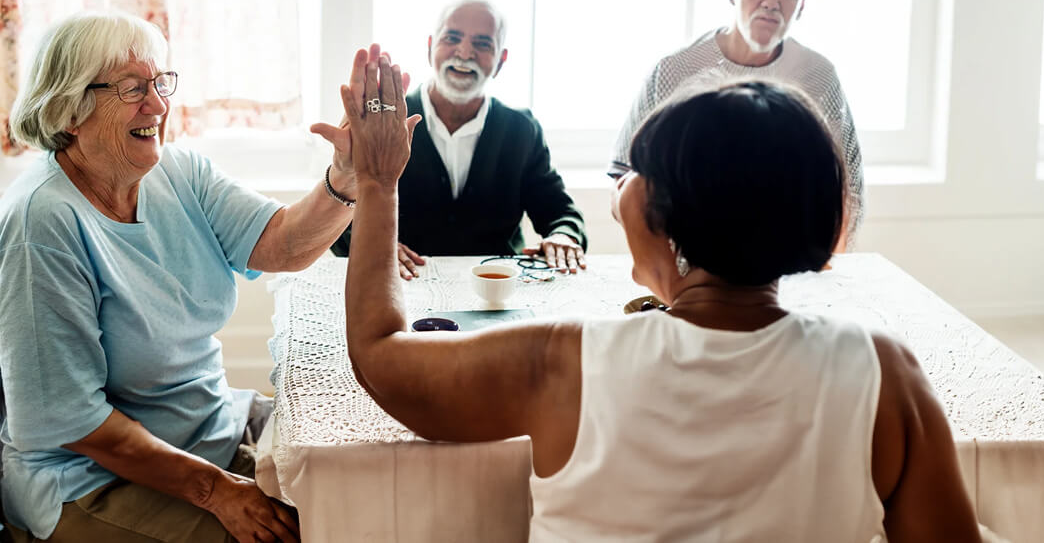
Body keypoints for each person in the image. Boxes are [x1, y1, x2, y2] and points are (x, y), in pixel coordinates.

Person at [341, 67, 977, 541]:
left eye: (633, 173)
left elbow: (378, 353)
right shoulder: (883, 373)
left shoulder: (567, 362)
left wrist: (376, 183)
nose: (619, 188)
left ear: (660, 215)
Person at [0, 11, 386, 542]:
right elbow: (74, 421)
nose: (158, 105)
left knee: (363, 474)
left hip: (207, 429)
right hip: (89, 479)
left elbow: (283, 244)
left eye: (160, 83)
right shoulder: (41, 223)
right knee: (305, 532)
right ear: (70, 110)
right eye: (133, 88)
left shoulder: (180, 172)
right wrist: (218, 492)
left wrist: (345, 178)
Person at [609, 0, 865, 241]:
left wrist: (822, 273)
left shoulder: (818, 77)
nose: (771, 1)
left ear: (801, 3)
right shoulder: (676, 71)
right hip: (690, 257)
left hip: (785, 255)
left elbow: (847, 190)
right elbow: (625, 177)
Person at [330, 0, 587, 279]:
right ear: (430, 48)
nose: (465, 53)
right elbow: (340, 214)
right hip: (402, 288)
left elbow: (560, 212)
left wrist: (564, 237)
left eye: (482, 44)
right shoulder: (383, 120)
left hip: (499, 296)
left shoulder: (521, 129)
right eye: (452, 38)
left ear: (500, 61)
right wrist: (373, 246)